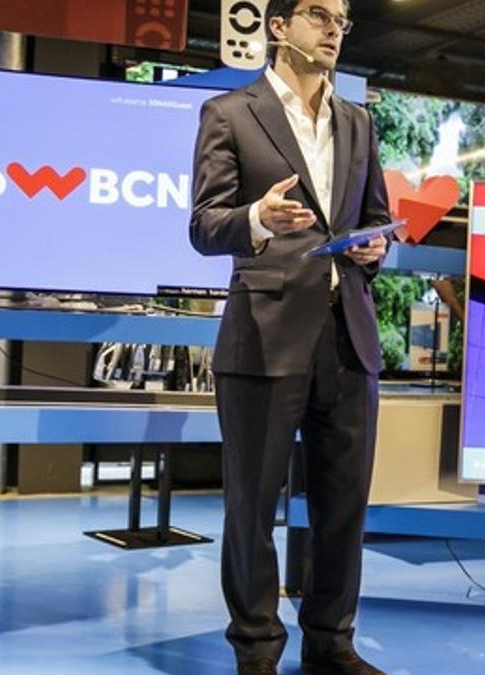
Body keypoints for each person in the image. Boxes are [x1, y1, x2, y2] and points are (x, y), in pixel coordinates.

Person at [188, 1, 389, 673]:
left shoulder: (359, 123)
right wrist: (257, 216)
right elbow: (204, 225)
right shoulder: (230, 113)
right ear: (277, 26)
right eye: (318, 13)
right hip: (264, 335)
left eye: (342, 18)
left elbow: (377, 220)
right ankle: (257, 649)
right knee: (252, 506)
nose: (334, 27)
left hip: (348, 338)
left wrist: (374, 250)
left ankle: (331, 642)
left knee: (343, 507)